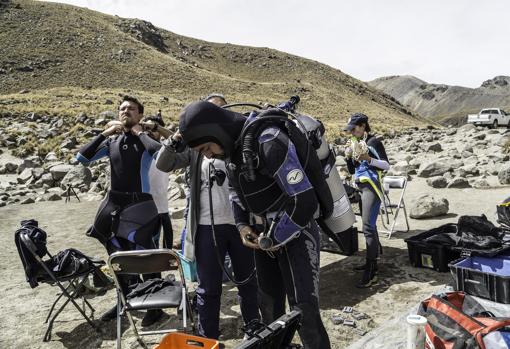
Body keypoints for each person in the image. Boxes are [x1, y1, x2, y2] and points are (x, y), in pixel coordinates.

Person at [177, 101, 331, 349]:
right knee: (269, 313)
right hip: (264, 238)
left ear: (216, 132)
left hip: (297, 234)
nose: (208, 155)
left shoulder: (268, 141)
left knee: (305, 314)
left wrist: (272, 238)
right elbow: (235, 191)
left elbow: (303, 201)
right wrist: (241, 225)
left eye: (206, 148)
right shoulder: (233, 150)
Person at [155, 96, 259, 340]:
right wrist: (176, 137)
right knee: (208, 287)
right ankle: (207, 336)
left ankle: (253, 328)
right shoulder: (196, 149)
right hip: (205, 226)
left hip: (240, 225)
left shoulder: (239, 143)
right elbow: (163, 164)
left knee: (247, 282)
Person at [76, 95, 164, 326]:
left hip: (141, 207)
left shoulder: (144, 140)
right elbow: (81, 158)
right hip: (116, 207)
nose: (126, 112)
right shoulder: (111, 143)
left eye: (131, 109)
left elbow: (160, 154)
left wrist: (141, 133)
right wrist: (104, 133)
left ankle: (155, 307)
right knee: (117, 256)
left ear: (140, 115)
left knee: (147, 257)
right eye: (122, 109)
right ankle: (124, 300)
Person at [344, 113, 390, 288]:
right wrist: (348, 157)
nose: (351, 133)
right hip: (361, 186)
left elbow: (386, 165)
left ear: (363, 126)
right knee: (369, 224)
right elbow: (353, 169)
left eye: (354, 129)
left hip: (372, 187)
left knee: (368, 227)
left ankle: (371, 271)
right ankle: (374, 259)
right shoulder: (356, 143)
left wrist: (368, 159)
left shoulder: (373, 142)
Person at [141, 114, 174, 249]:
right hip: (144, 207)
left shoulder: (165, 150)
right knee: (150, 246)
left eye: (153, 129)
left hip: (162, 206)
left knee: (167, 248)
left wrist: (157, 127)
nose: (150, 131)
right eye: (147, 129)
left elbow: (177, 140)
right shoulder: (138, 149)